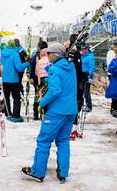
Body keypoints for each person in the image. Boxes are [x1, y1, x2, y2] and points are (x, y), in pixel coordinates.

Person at [21, 43, 77, 183]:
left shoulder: (55, 70)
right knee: (63, 141)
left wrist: (41, 103)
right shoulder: (70, 67)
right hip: (70, 110)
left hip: (57, 111)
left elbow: (55, 90)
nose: (47, 56)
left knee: (44, 140)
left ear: (55, 54)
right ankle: (63, 173)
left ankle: (38, 171)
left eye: (48, 54)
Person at [0, 39, 30, 122]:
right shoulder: (15, 54)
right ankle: (16, 116)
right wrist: (28, 63)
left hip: (5, 80)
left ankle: (8, 113)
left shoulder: (2, 54)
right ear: (14, 45)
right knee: (16, 98)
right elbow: (19, 68)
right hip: (14, 80)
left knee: (6, 98)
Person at [34, 42, 50, 120]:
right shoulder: (49, 61)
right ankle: (44, 113)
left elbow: (36, 73)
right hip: (47, 80)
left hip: (41, 80)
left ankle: (38, 114)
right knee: (46, 97)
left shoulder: (39, 61)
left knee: (39, 96)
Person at [80, 45, 95, 112]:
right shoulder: (82, 56)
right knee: (82, 92)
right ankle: (83, 105)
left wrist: (88, 76)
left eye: (84, 49)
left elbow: (92, 68)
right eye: (82, 49)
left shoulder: (90, 56)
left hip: (87, 77)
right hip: (82, 77)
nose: (82, 50)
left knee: (86, 93)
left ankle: (89, 106)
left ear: (87, 49)